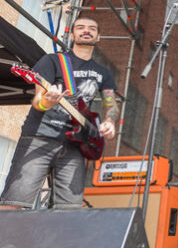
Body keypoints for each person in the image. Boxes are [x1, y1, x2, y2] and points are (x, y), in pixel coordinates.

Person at [0, 16, 118, 209]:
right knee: (13, 203)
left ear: (98, 37)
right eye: (80, 27)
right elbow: (38, 102)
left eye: (92, 28)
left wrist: (110, 121)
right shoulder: (52, 61)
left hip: (75, 146)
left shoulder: (102, 72)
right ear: (72, 35)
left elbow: (111, 103)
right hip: (40, 137)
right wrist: (47, 101)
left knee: (68, 211)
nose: (86, 30)